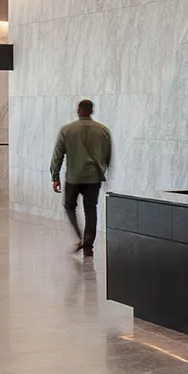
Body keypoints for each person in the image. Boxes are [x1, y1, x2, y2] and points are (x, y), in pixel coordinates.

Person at [51, 99, 112, 258]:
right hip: (94, 178)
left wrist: (55, 176)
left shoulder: (67, 130)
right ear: (91, 111)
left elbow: (58, 155)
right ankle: (88, 244)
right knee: (90, 209)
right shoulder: (103, 130)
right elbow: (108, 155)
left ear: (78, 110)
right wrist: (104, 171)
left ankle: (80, 238)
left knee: (69, 206)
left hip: (74, 177)